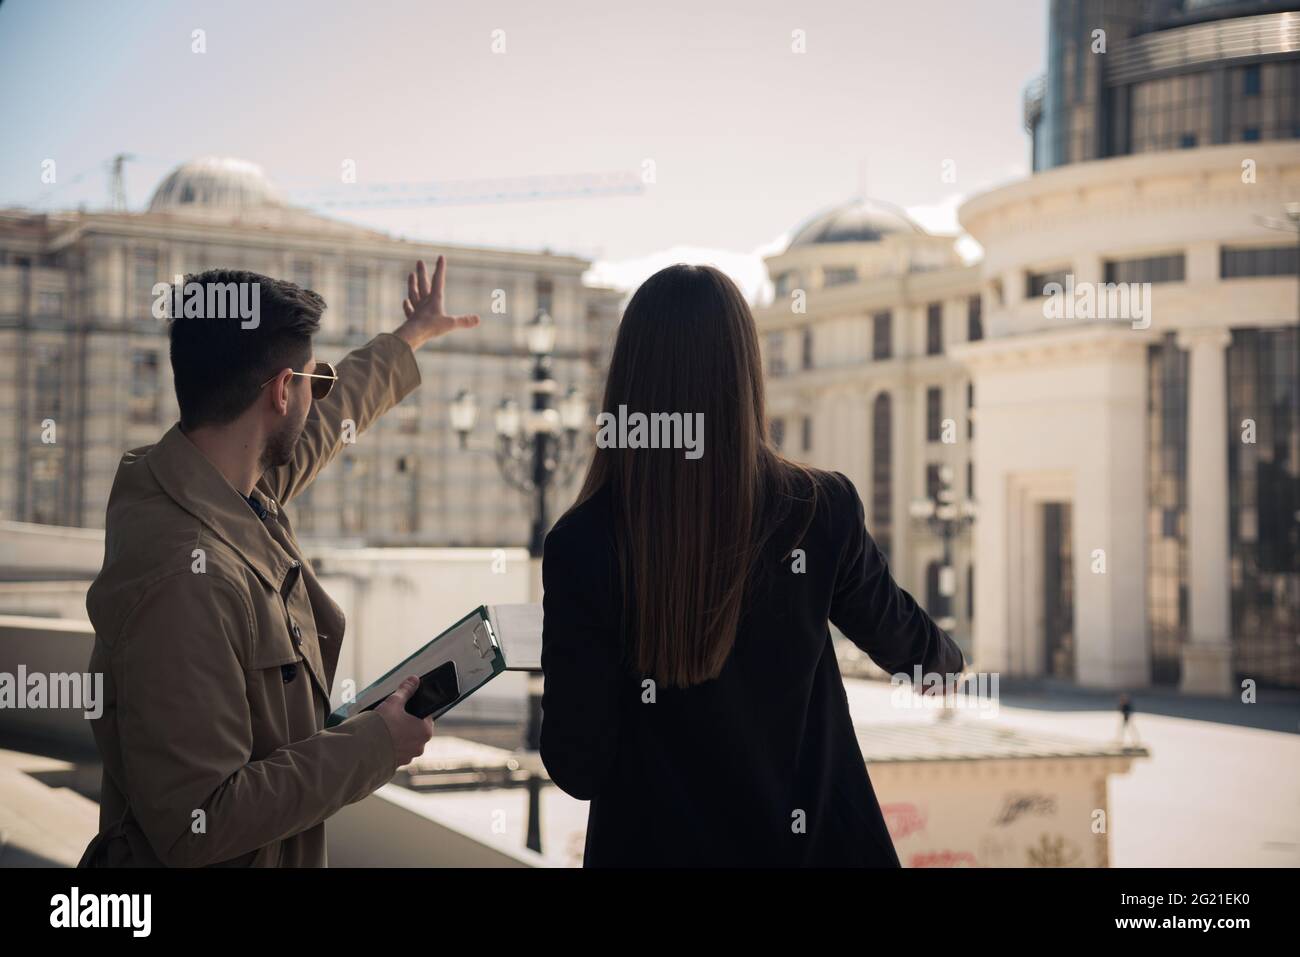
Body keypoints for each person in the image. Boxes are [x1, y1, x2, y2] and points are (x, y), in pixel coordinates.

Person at [539, 263, 966, 867]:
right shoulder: (819, 511)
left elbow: (577, 764)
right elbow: (918, 655)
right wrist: (951, 658)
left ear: (628, 384)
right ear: (745, 373)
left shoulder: (582, 543)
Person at [80, 257, 479, 867]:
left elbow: (332, 417)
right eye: (311, 384)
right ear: (280, 391)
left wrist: (411, 337)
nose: (317, 399)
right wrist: (376, 744)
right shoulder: (185, 579)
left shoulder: (221, 487)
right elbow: (199, 824)